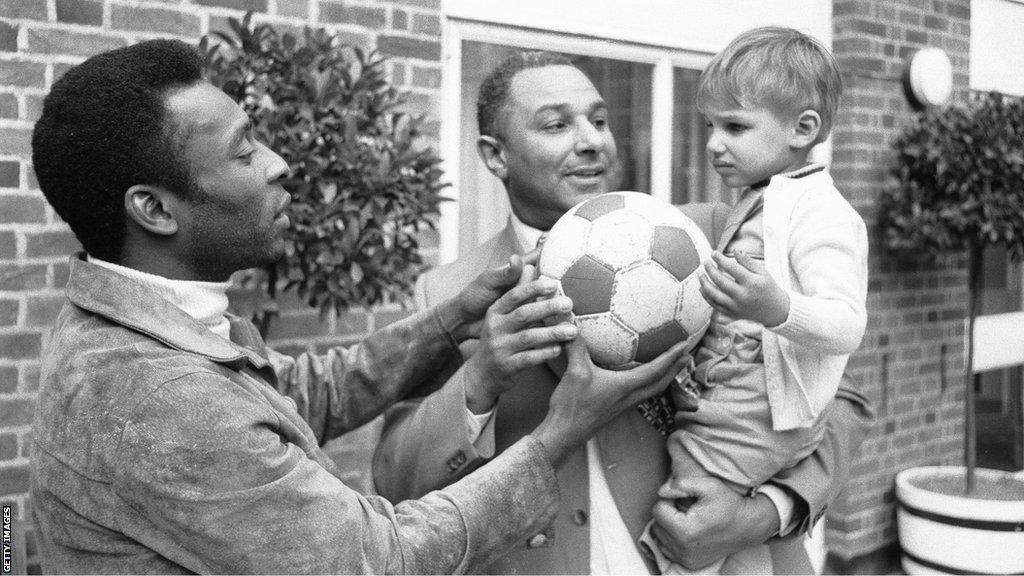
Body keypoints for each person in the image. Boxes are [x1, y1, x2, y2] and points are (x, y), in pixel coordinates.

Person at [27, 39, 692, 574]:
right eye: (244, 151)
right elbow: (379, 558)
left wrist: (447, 322)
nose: (280, 161)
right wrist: (560, 431)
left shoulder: (152, 321)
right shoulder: (160, 398)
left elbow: (299, 392)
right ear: (154, 209)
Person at [373, 49, 874, 574]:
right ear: (496, 157)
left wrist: (763, 513)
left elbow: (843, 396)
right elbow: (395, 480)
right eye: (556, 125)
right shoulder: (447, 293)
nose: (591, 140)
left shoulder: (707, 235)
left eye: (599, 120)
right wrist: (481, 376)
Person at [642, 26, 869, 575]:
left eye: (735, 127)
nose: (714, 144)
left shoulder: (823, 212)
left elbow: (846, 325)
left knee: (687, 507)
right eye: (711, 126)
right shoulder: (760, 199)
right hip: (728, 399)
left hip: (763, 413)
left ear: (803, 129)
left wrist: (776, 308)